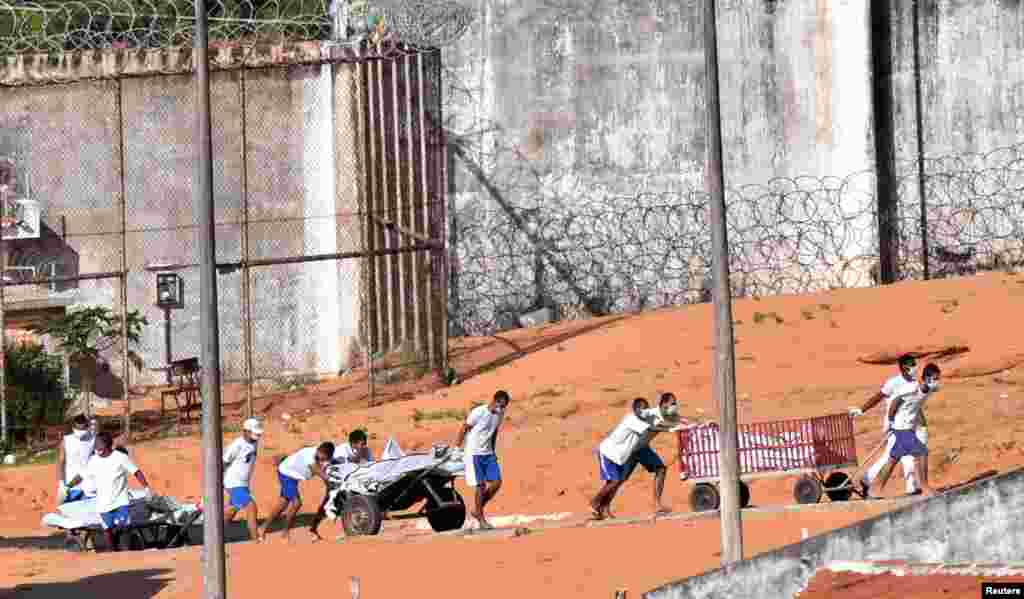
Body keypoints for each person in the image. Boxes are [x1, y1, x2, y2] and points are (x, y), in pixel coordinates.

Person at [850, 354, 924, 498]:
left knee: (896, 454)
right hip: (894, 424)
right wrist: (861, 410)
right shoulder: (893, 383)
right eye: (912, 365)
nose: (915, 367)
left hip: (907, 424)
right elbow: (879, 397)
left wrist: (920, 422)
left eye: (915, 364)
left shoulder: (915, 383)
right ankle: (910, 487)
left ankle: (867, 480)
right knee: (900, 454)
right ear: (904, 368)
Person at [65, 432, 153, 552]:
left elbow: (136, 472)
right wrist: (67, 486)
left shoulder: (120, 457)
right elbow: (81, 476)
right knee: (108, 531)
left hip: (121, 501)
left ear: (108, 445)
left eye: (100, 445)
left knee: (124, 527)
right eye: (96, 445)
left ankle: (127, 551)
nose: (97, 448)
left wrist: (146, 488)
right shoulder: (93, 461)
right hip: (103, 504)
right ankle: (112, 554)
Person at [872, 363, 942, 497]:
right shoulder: (912, 389)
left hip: (908, 426)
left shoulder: (929, 387)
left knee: (893, 459)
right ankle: (925, 488)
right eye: (935, 378)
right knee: (922, 453)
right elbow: (895, 402)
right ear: (927, 378)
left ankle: (874, 489)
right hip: (901, 427)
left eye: (938, 378)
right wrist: (891, 421)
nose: (937, 381)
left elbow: (923, 399)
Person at [454, 390, 510, 530]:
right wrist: (456, 448)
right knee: (481, 485)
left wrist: (493, 449)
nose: (501, 409)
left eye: (504, 407)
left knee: (497, 482)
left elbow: (494, 432)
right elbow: (464, 428)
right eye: (500, 405)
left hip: (488, 453)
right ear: (494, 401)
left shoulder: (499, 414)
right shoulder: (479, 412)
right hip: (474, 452)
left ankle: (477, 509)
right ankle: (481, 519)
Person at [258, 442, 334, 542]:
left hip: (294, 476)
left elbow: (327, 470)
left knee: (282, 505)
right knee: (296, 503)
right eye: (321, 457)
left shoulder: (326, 458)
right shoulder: (309, 455)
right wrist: (331, 481)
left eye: (324, 458)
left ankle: (262, 528)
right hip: (286, 473)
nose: (322, 460)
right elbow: (318, 472)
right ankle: (285, 532)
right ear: (318, 450)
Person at [632, 392, 691, 515]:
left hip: (642, 448)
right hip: (632, 448)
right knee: (618, 480)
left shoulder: (670, 414)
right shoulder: (653, 414)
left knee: (661, 470)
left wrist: (697, 424)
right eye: (672, 403)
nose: (675, 406)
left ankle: (656, 504)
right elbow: (657, 426)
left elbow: (683, 420)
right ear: (664, 404)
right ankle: (598, 505)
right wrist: (673, 427)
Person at [309, 430, 374, 541]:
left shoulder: (366, 450)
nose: (364, 446)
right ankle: (314, 527)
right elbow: (328, 465)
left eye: (365, 443)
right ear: (353, 443)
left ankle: (355, 525)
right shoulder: (341, 451)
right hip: (334, 476)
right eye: (361, 444)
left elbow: (371, 464)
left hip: (351, 477)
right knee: (330, 501)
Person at [223, 418, 264, 542]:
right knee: (251, 506)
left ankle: (215, 536)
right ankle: (256, 539)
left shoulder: (254, 442)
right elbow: (223, 462)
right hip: (233, 483)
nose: (257, 436)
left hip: (243, 483)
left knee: (231, 510)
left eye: (258, 434)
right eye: (254, 433)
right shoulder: (237, 445)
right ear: (245, 431)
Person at [57, 415, 95, 505]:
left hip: (88, 484)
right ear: (73, 427)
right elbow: (61, 461)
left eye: (83, 429)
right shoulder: (66, 440)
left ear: (87, 427)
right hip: (71, 484)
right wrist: (62, 482)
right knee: (68, 512)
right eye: (78, 429)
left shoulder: (93, 439)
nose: (80, 432)